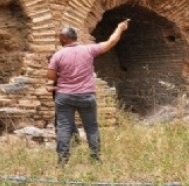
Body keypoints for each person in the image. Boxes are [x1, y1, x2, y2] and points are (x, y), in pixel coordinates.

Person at [47, 20, 129, 164]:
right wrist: (119, 28)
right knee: (91, 127)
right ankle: (95, 158)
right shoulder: (88, 50)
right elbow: (111, 42)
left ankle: (62, 160)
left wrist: (62, 76)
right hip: (86, 95)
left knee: (64, 127)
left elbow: (50, 76)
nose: (59, 39)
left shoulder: (58, 55)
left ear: (65, 38)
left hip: (64, 96)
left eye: (60, 37)